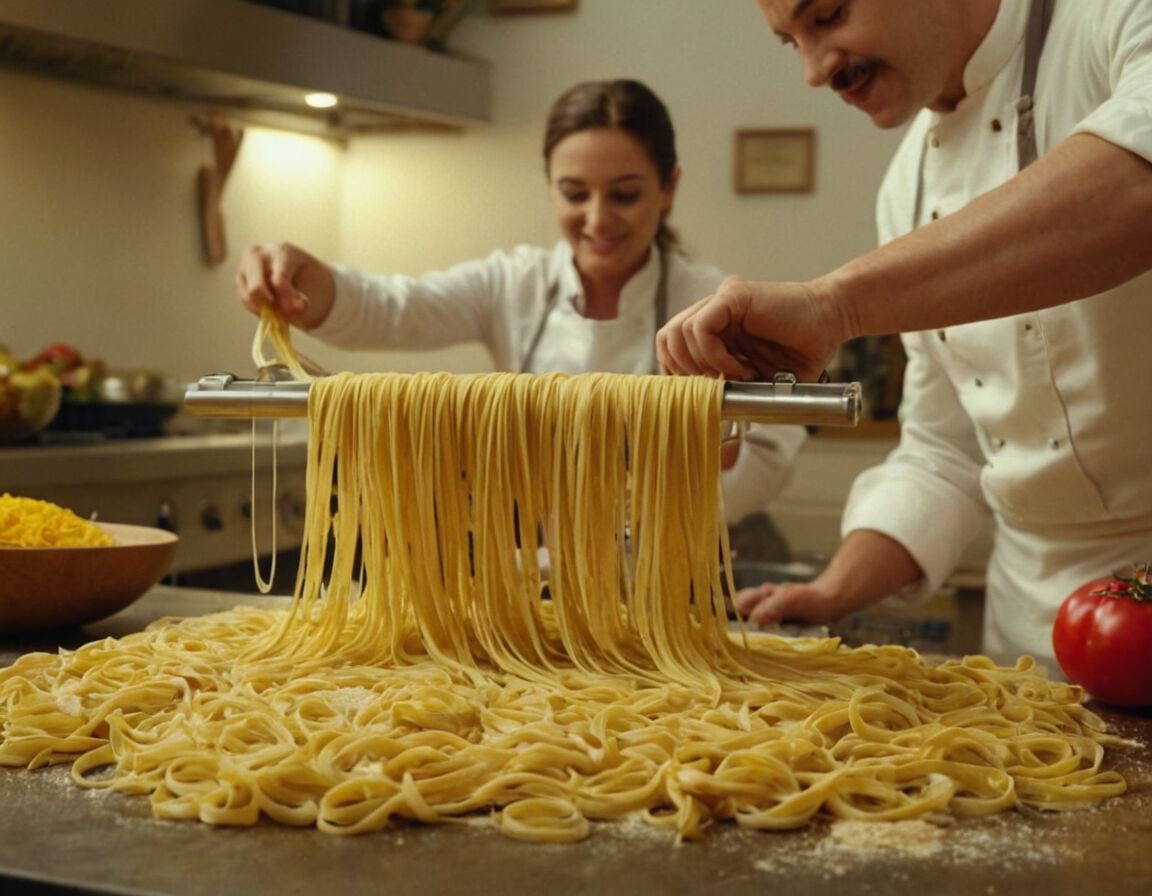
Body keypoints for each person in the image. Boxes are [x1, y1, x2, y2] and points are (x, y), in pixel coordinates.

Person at [657, 0, 1152, 672]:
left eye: (827, 15)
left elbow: (1135, 182)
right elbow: (944, 450)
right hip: (1034, 625)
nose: (812, 70)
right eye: (788, 42)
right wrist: (833, 589)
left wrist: (834, 304)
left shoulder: (1114, 18)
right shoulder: (907, 187)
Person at [236, 78, 806, 558]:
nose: (597, 218)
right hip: (540, 574)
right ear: (551, 189)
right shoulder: (512, 284)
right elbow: (395, 307)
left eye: (625, 195)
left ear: (669, 188)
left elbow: (772, 449)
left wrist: (710, 453)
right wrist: (306, 283)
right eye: (574, 193)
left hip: (681, 566)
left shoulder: (713, 301)